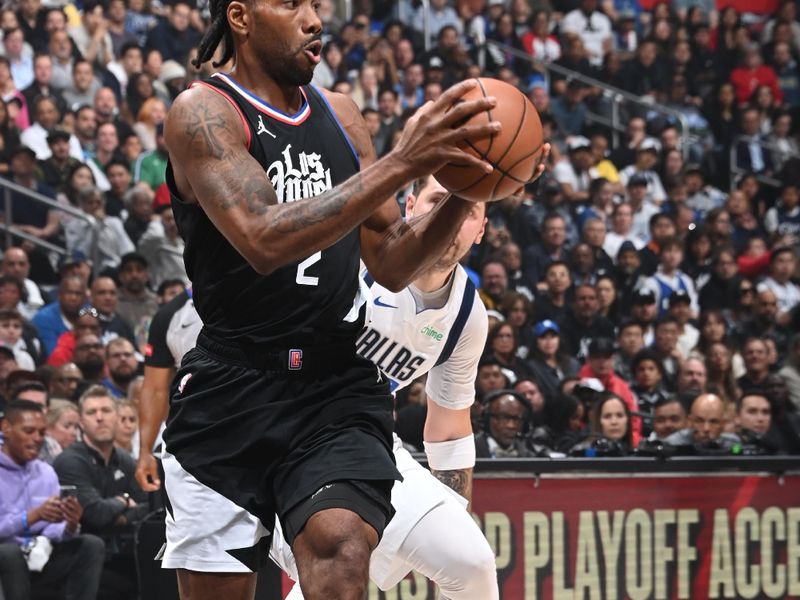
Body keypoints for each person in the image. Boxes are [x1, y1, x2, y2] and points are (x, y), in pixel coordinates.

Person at [161, 2, 544, 597]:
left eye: (317, 5)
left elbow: (391, 260)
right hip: (231, 388)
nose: (314, 19)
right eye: (293, 4)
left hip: (332, 387)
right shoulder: (203, 112)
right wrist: (404, 162)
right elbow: (263, 238)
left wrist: (473, 185)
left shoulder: (341, 115)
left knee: (342, 547)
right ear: (239, 16)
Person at [139, 176, 503, 598]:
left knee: (470, 561)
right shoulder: (353, 255)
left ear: (480, 229)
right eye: (439, 199)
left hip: (365, 441)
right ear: (408, 205)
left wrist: (450, 516)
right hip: (280, 431)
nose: (448, 216)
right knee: (331, 568)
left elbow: (450, 428)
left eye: (467, 210)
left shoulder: (468, 316)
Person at [0, 400, 105, 600]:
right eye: (29, 431)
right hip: (7, 556)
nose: (37, 438)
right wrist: (29, 517)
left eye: (41, 433)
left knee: (91, 544)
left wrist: (70, 525)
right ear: (6, 428)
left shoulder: (46, 472)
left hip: (41, 553)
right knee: (9, 553)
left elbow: (56, 527)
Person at [53, 386, 148, 600]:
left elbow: (149, 506)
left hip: (118, 551)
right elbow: (95, 515)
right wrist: (124, 500)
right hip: (78, 554)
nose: (100, 418)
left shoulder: (123, 458)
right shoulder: (70, 461)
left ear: (116, 416)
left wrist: (121, 517)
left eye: (106, 411)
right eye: (91, 412)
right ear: (81, 422)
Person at [474, 390, 535, 458]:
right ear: (486, 419)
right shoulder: (469, 449)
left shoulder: (529, 453)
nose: (511, 425)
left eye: (516, 418)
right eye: (504, 418)